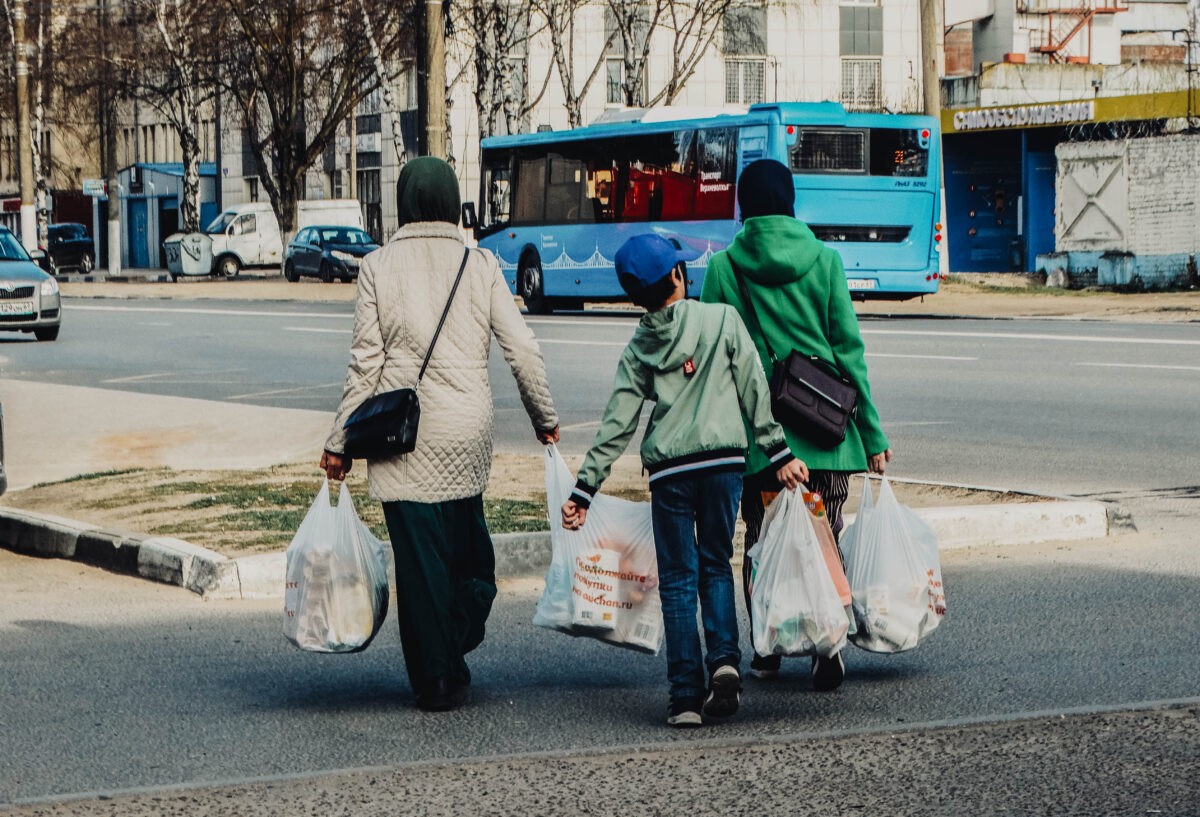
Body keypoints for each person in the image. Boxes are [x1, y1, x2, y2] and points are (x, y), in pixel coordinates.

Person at [320, 157, 559, 712]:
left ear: (404, 201)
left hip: (402, 436)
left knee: (421, 563)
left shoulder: (377, 266)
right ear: (453, 201)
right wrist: (543, 417)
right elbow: (522, 349)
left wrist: (339, 443)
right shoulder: (479, 265)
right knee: (469, 557)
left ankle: (435, 675)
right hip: (465, 432)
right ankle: (453, 650)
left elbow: (365, 365)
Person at [560, 233, 807, 728]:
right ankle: (724, 661)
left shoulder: (640, 347)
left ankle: (685, 699)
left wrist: (584, 489)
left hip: (671, 473)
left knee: (677, 581)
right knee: (716, 563)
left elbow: (618, 422)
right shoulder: (721, 319)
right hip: (724, 464)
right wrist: (778, 452)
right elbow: (754, 387)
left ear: (635, 296)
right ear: (678, 275)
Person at [700, 157, 892, 690]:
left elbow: (716, 358)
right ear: (789, 204)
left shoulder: (724, 269)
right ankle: (826, 643)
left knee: (761, 539)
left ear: (743, 206)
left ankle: (767, 643)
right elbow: (850, 354)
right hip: (827, 433)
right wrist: (872, 434)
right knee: (824, 533)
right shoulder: (826, 262)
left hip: (759, 442)